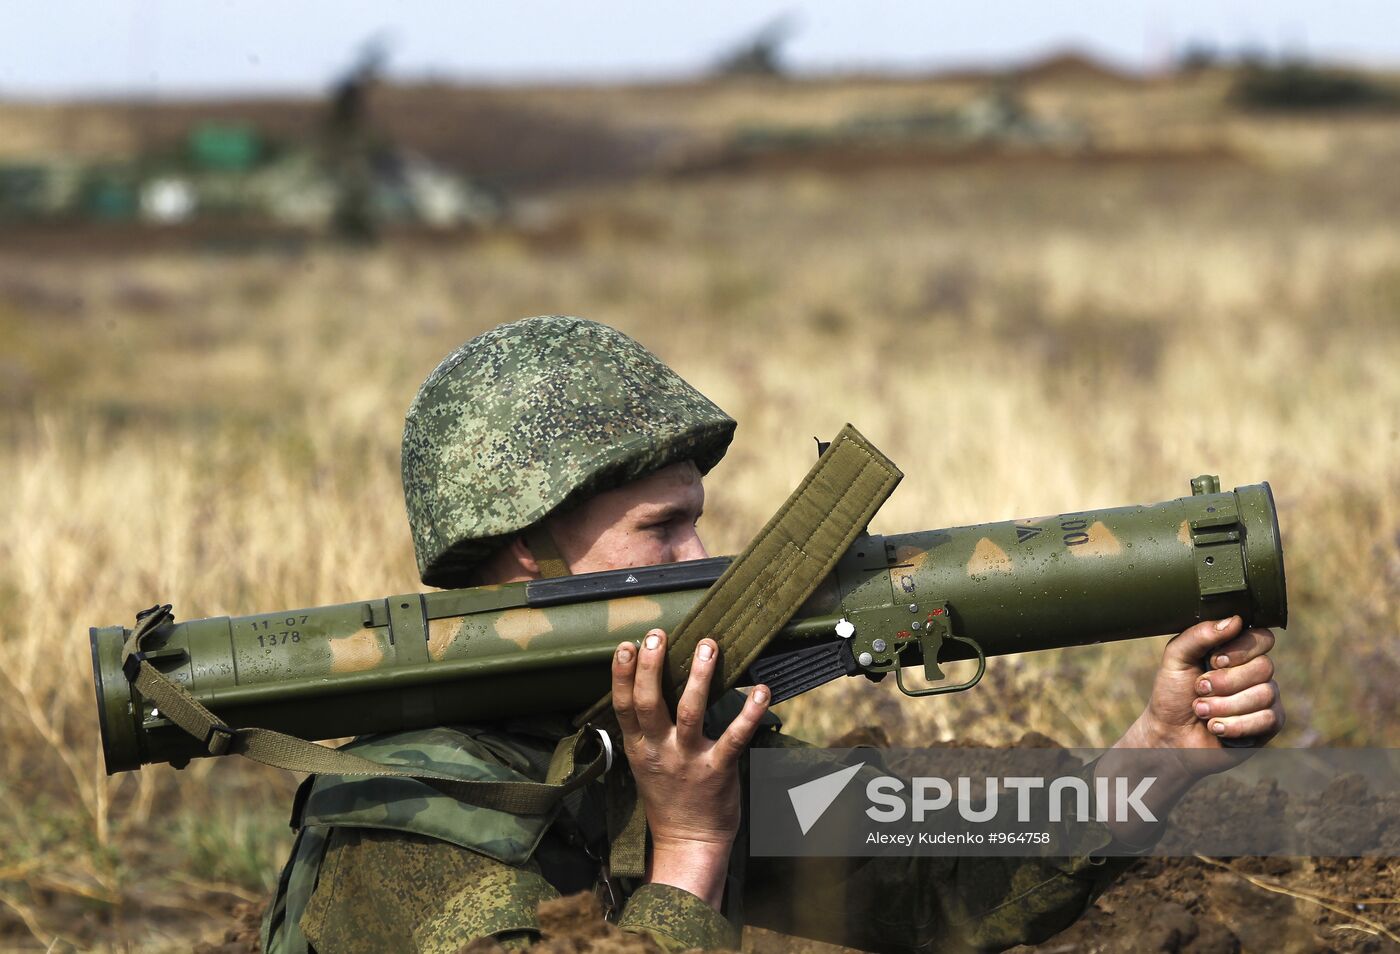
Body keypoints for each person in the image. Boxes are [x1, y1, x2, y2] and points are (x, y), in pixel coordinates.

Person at [262, 315, 1285, 953]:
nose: (705, 552)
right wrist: (692, 843)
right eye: (661, 527)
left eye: (697, 516)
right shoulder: (409, 817)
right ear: (526, 551)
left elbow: (937, 900)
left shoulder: (650, 746)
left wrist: (1155, 754)